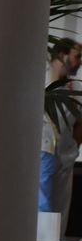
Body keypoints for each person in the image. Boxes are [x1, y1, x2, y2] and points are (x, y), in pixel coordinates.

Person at [41, 38, 80, 218]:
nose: (79, 62)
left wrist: (73, 146)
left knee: (60, 209)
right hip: (43, 150)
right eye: (76, 56)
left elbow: (80, 123)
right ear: (62, 55)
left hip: (65, 155)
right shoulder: (41, 78)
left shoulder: (76, 88)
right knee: (43, 205)